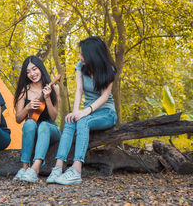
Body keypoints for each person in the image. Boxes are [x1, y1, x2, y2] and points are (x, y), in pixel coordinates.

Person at [47, 36, 117, 185]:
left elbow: (104, 97)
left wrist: (84, 112)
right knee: (70, 120)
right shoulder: (81, 66)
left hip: (106, 113)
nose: (80, 57)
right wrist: (75, 112)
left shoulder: (109, 69)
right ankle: (58, 167)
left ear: (94, 54)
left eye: (83, 54)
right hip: (88, 112)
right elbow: (79, 90)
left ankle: (76, 170)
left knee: (83, 121)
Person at [13, 56, 61, 182]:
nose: (32, 74)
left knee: (44, 125)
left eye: (34, 69)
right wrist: (27, 107)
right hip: (34, 131)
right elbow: (18, 119)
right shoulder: (24, 91)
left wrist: (47, 98)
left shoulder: (54, 88)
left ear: (40, 68)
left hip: (51, 130)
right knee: (29, 123)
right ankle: (24, 168)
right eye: (28, 72)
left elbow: (54, 116)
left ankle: (35, 169)